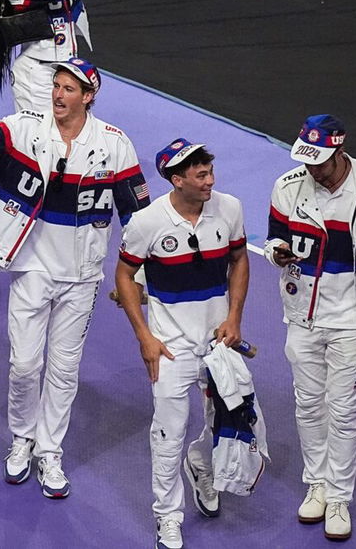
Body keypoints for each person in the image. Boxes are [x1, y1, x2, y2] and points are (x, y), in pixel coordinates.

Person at [0, 57, 149, 496]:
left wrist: (137, 277)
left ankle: (49, 450)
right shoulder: (22, 127)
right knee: (24, 364)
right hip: (32, 269)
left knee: (64, 369)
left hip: (82, 276)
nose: (58, 94)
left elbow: (139, 218)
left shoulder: (116, 145)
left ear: (88, 96)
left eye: (68, 89)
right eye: (56, 85)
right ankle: (22, 437)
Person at [114, 140, 249, 549]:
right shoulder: (146, 222)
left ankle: (201, 464)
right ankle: (167, 516)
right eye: (201, 175)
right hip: (170, 349)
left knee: (225, 423)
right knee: (168, 433)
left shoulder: (230, 209)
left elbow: (240, 260)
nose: (211, 181)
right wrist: (145, 337)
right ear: (177, 180)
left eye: (210, 171)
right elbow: (123, 276)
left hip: (219, 345)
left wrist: (234, 317)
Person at [264, 114, 356, 541]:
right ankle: (315, 483)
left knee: (345, 409)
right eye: (308, 159)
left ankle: (339, 497)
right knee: (308, 404)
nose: (314, 169)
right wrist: (275, 252)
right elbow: (274, 236)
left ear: (341, 148)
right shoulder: (288, 184)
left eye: (322, 161)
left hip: (352, 316)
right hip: (302, 313)